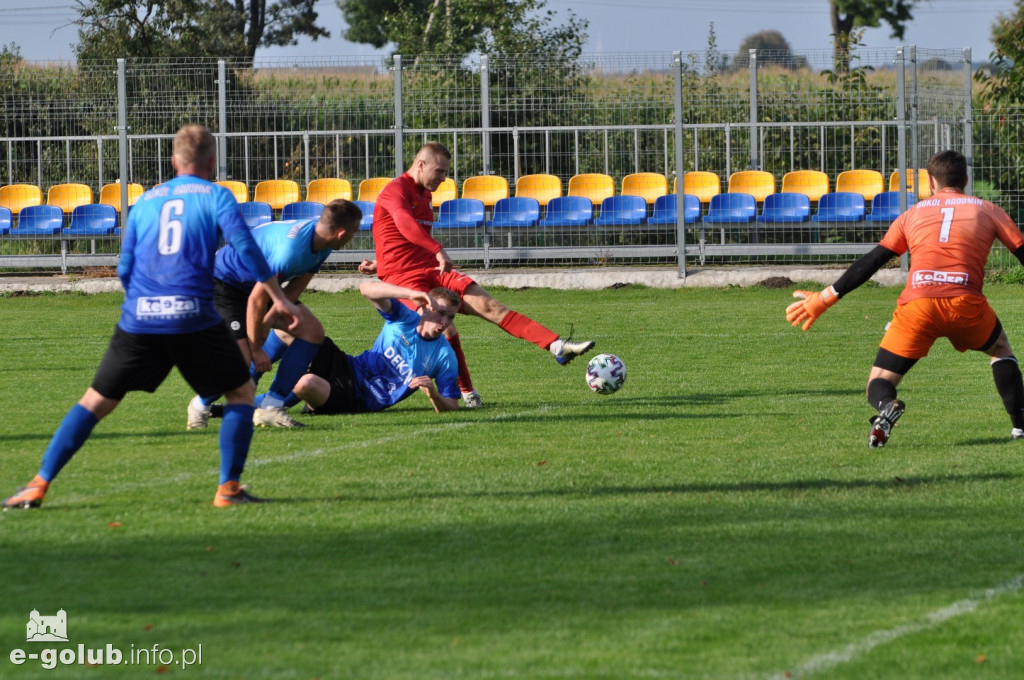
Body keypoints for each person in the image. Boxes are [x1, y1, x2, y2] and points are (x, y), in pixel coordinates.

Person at [2, 124, 303, 510]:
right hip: (193, 315)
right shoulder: (216, 196)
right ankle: (228, 489)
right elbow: (247, 250)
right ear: (212, 162)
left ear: (173, 161)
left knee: (95, 401)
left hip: (141, 317)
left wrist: (143, 305)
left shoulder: (145, 202)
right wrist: (281, 299)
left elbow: (125, 268)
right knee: (242, 393)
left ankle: (37, 484)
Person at [784, 150, 1024, 447]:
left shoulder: (912, 214)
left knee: (878, 382)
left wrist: (825, 298)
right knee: (1000, 349)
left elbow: (872, 261)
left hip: (918, 306)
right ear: (966, 179)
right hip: (965, 304)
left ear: (931, 182)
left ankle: (887, 406)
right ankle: (1019, 428)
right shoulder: (987, 209)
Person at [357, 141, 594, 409]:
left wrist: (380, 262)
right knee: (445, 323)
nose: (443, 178)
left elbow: (400, 238)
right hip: (404, 280)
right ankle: (467, 393)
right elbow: (404, 224)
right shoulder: (395, 190)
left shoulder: (425, 194)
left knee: (491, 306)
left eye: (446, 173)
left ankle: (556, 345)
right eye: (439, 171)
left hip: (432, 271)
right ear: (420, 165)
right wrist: (435, 250)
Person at [186, 199, 363, 429]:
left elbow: (291, 292)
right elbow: (256, 299)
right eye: (354, 232)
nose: (354, 236)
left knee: (311, 331)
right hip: (225, 282)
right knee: (243, 356)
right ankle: (200, 405)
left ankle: (271, 406)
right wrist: (256, 346)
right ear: (341, 233)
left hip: (259, 288)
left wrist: (267, 323)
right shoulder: (290, 251)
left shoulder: (323, 244)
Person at [213, 281, 461, 417]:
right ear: (425, 307)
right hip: (348, 365)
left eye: (450, 317)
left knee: (306, 384)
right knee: (291, 327)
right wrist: (410, 293)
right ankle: (248, 383)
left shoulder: (444, 356)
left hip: (359, 398)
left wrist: (434, 395)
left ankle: (236, 408)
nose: (444, 322)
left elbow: (452, 404)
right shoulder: (403, 319)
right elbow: (366, 288)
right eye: (440, 313)